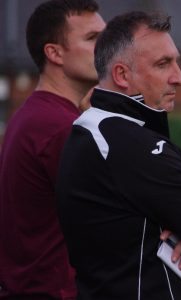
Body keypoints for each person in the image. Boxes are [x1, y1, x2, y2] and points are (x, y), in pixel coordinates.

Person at [56, 11, 181, 300]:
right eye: (163, 64)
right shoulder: (126, 142)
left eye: (176, 61)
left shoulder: (100, 129)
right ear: (122, 75)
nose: (179, 78)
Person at [0, 1, 106, 298]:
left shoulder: (35, 116)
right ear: (54, 53)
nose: (107, 47)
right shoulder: (58, 127)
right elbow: (126, 216)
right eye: (92, 38)